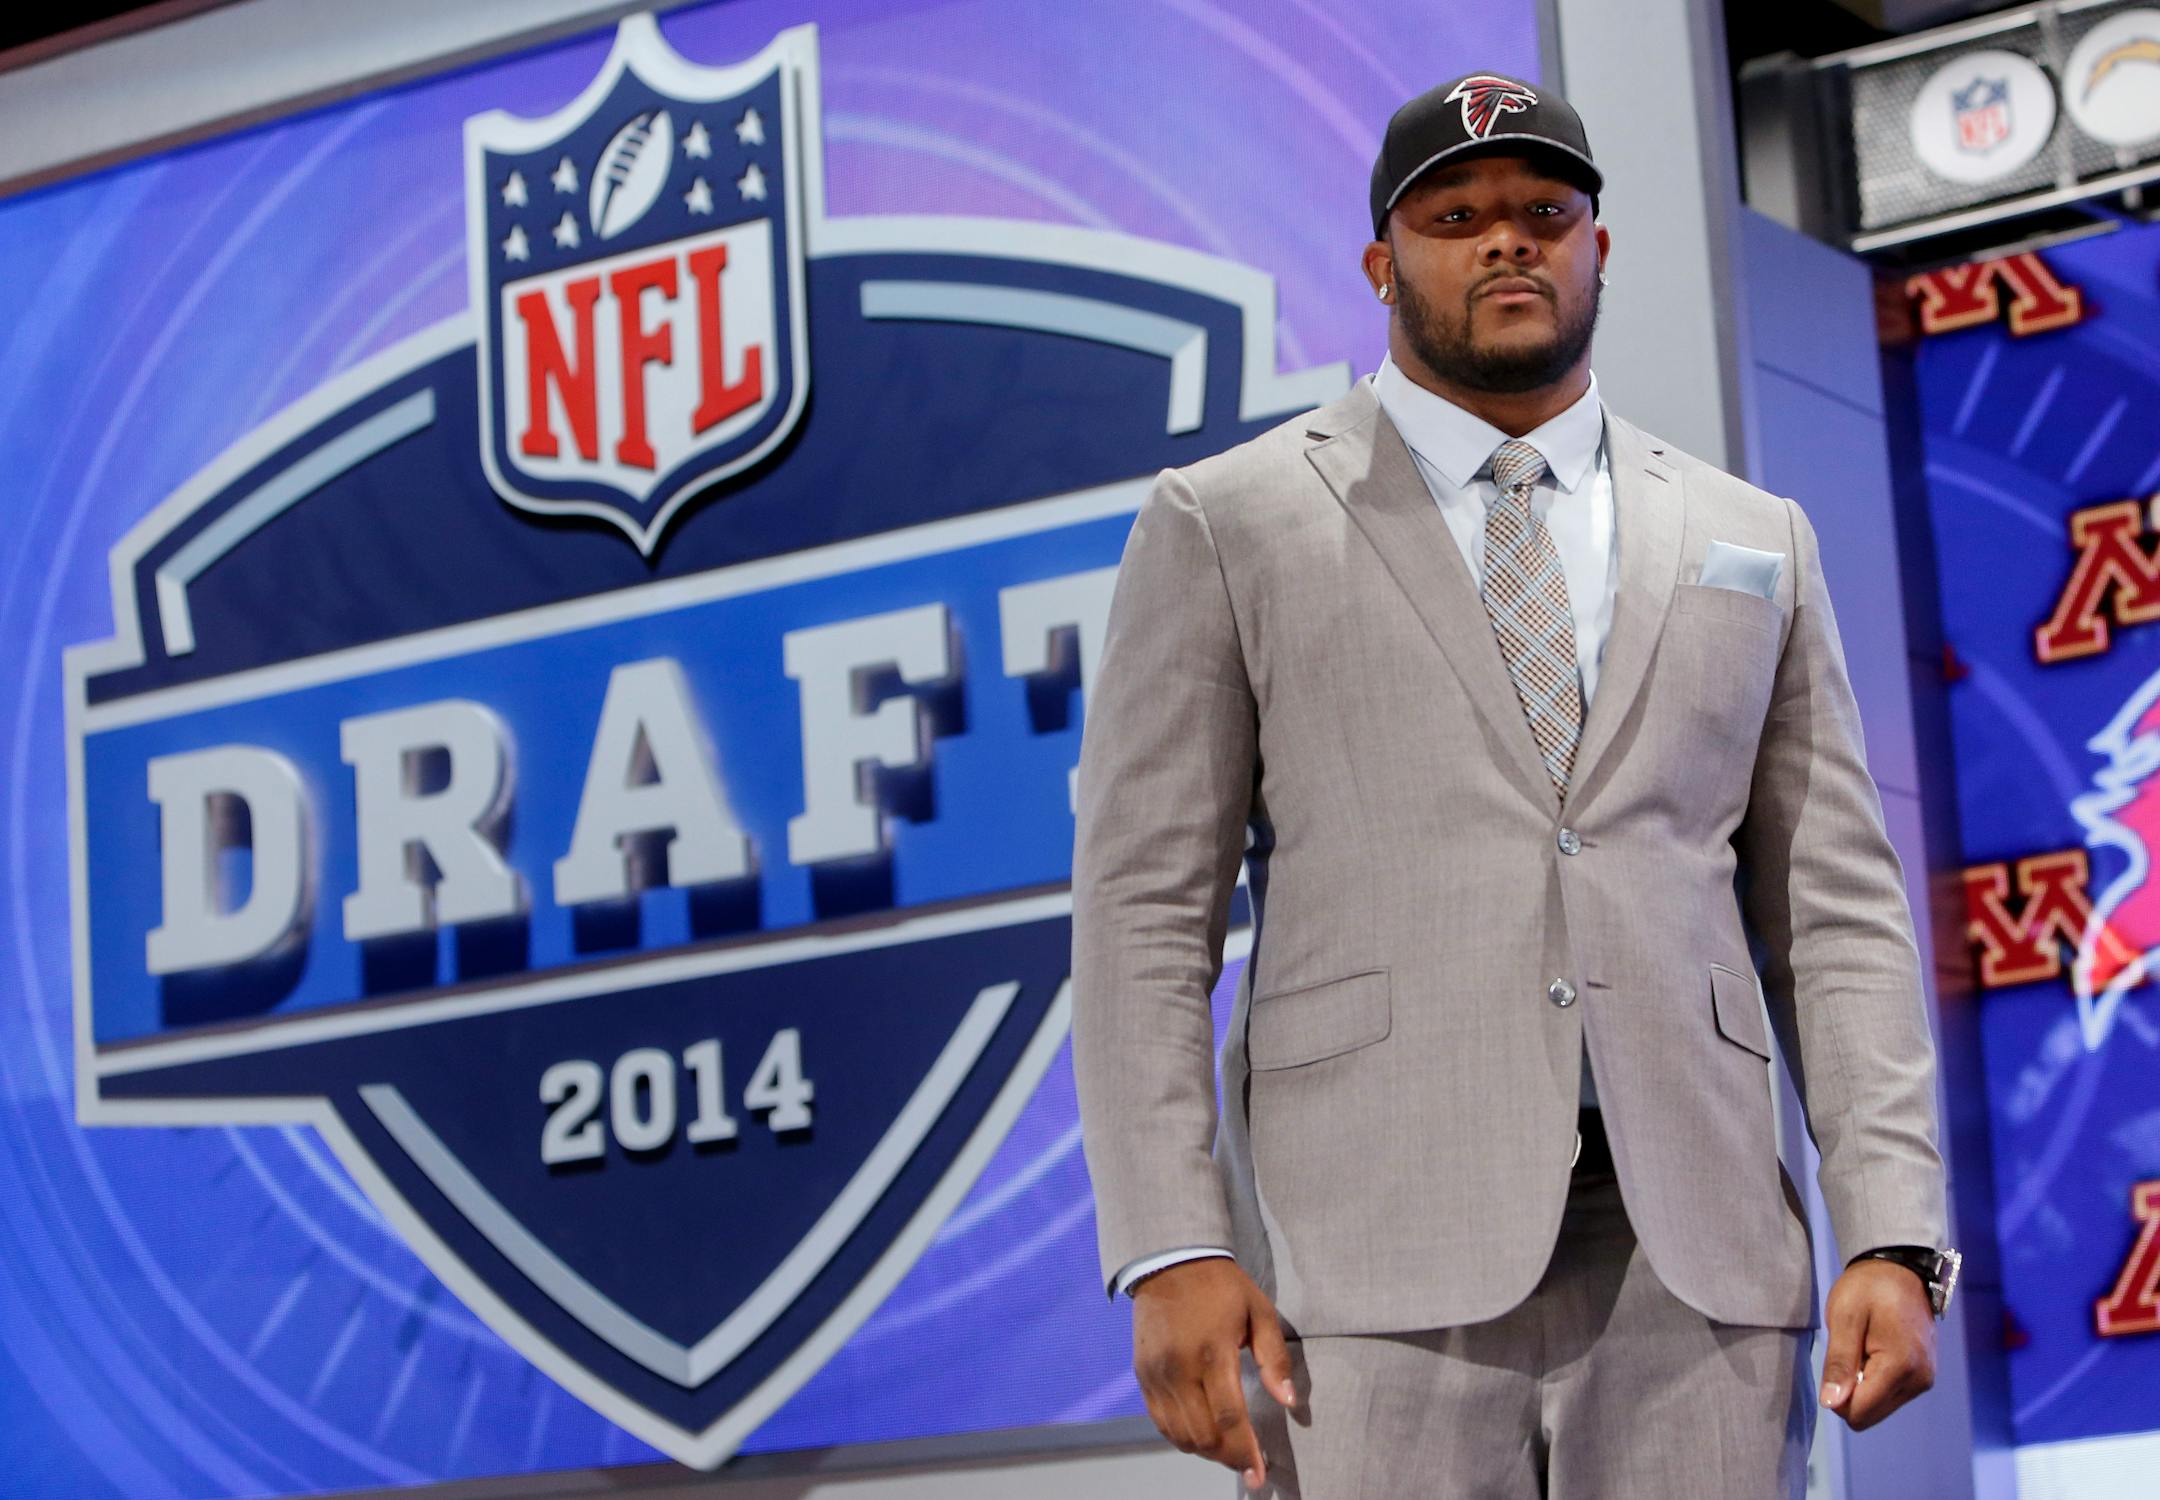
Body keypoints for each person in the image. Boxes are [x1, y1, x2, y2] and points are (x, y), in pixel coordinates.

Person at [1068, 71, 1960, 1498]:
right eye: (1456, 218)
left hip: (1702, 1256)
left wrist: (1894, 1229)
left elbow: (1835, 910)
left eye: (1545, 213)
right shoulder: (1230, 522)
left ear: (1600, 246)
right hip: (1367, 1259)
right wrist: (1173, 1243)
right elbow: (1141, 916)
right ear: (1381, 264)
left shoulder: (1750, 533)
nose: (1507, 241)